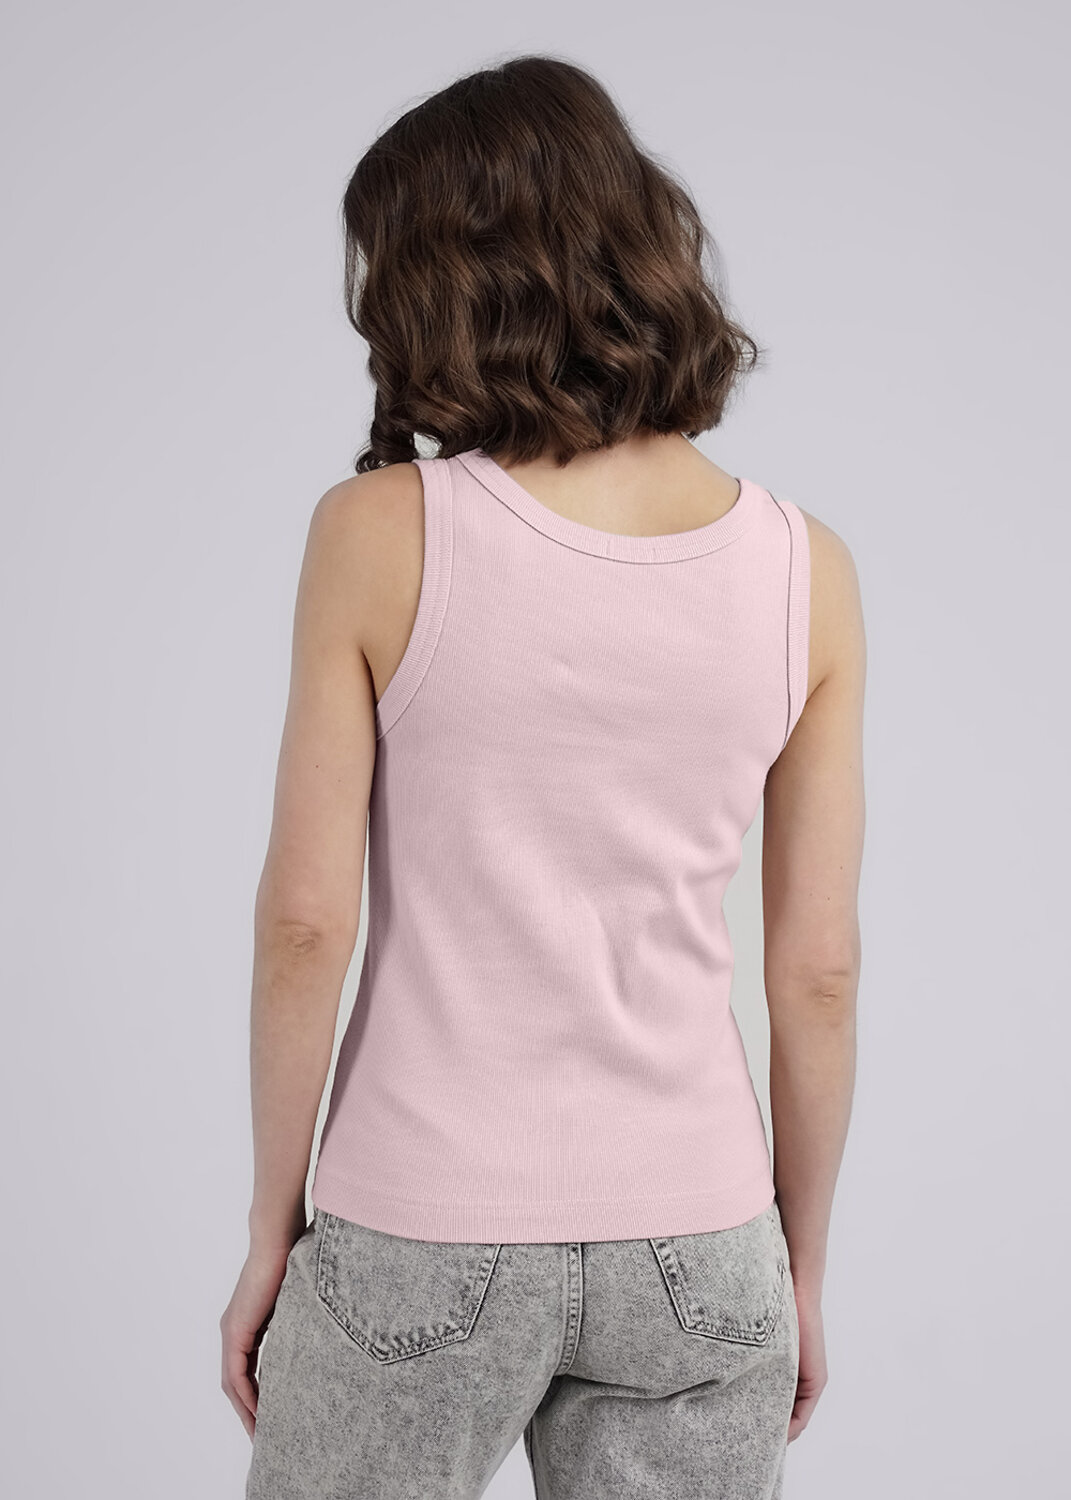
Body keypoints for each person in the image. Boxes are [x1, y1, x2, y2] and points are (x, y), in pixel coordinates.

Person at [220, 52, 865, 1500]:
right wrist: (798, 1263)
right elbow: (817, 970)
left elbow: (306, 922)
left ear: (435, 287)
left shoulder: (380, 533)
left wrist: (273, 1230)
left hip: (418, 1224)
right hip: (701, 1241)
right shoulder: (806, 573)